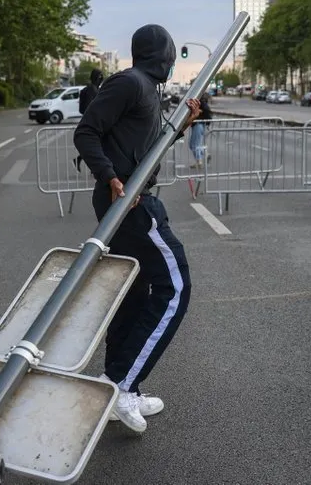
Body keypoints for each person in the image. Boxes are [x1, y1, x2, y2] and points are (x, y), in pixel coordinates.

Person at [74, 24, 201, 433]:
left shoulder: (149, 88)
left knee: (137, 289)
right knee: (175, 286)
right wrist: (111, 177)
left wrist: (181, 127)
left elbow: (142, 144)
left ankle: (117, 381)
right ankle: (123, 385)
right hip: (127, 203)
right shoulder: (129, 82)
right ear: (163, 54)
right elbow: (86, 132)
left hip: (130, 198)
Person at [72, 68, 104, 172]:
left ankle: (83, 161)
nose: (101, 78)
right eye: (100, 76)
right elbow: (91, 105)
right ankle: (91, 165)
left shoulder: (92, 88)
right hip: (93, 121)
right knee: (97, 144)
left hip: (93, 120)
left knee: (97, 145)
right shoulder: (92, 89)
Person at [188, 93, 213, 169]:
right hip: (199, 125)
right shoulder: (202, 101)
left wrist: (198, 111)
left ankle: (199, 161)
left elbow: (205, 111)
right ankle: (204, 155)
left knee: (194, 145)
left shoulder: (200, 101)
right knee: (194, 144)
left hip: (198, 125)